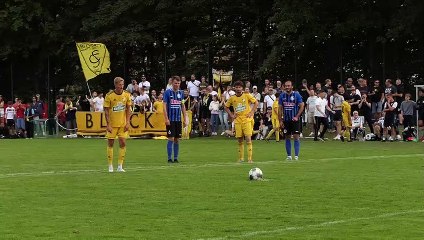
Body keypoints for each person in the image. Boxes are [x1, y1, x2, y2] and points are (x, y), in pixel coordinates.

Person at [225, 81, 258, 163]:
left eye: (240, 87)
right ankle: (241, 158)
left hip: (246, 119)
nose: (238, 89)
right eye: (237, 87)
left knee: (248, 138)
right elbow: (226, 107)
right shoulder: (232, 98)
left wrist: (251, 112)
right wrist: (231, 115)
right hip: (237, 121)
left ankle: (250, 159)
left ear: (242, 88)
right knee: (239, 139)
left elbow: (256, 102)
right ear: (234, 88)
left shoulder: (246, 95)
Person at [104, 77, 133, 173]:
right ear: (115, 85)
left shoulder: (127, 95)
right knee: (111, 143)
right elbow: (106, 111)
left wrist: (128, 122)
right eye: (120, 85)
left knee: (123, 143)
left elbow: (128, 109)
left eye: (122, 84)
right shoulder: (109, 96)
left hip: (122, 124)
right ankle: (110, 165)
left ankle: (120, 166)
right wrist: (108, 124)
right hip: (112, 124)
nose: (121, 86)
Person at [163, 76, 188, 163]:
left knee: (177, 139)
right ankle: (169, 158)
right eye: (175, 83)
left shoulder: (181, 93)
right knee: (171, 138)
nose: (177, 85)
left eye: (178, 83)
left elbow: (183, 106)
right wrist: (166, 118)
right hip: (171, 119)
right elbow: (164, 106)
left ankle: (176, 158)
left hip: (178, 119)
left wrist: (185, 118)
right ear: (172, 83)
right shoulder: (167, 92)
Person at [278, 80, 304, 160]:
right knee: (287, 137)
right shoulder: (282, 96)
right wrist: (280, 120)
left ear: (292, 86)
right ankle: (289, 156)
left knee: (296, 136)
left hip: (295, 120)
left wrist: (297, 116)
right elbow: (280, 109)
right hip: (286, 120)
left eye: (289, 85)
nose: (287, 87)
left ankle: (296, 156)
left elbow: (302, 106)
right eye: (286, 86)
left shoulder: (297, 95)